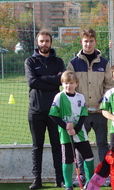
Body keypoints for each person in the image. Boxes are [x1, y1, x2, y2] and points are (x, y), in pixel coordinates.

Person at [67, 28, 114, 186]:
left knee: (102, 144)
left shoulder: (104, 63)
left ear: (95, 42)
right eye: (85, 41)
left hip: (100, 111)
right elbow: (69, 86)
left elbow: (109, 85)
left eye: (91, 41)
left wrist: (103, 102)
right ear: (81, 42)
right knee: (80, 145)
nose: (88, 44)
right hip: (81, 114)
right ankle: (80, 175)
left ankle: (103, 175)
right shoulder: (73, 63)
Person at [25, 30, 65, 189]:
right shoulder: (30, 61)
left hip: (55, 112)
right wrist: (53, 81)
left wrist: (43, 78)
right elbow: (32, 82)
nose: (44, 44)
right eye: (42, 41)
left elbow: (61, 81)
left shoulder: (58, 61)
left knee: (57, 146)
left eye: (47, 41)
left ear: (51, 42)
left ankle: (59, 179)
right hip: (36, 111)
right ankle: (37, 179)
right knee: (37, 146)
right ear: (37, 43)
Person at [49, 71, 94, 190]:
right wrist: (66, 126)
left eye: (71, 83)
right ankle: (68, 184)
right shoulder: (59, 96)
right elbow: (53, 114)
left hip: (80, 132)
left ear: (76, 84)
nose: (69, 86)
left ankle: (89, 182)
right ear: (62, 84)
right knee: (67, 159)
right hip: (66, 133)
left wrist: (77, 128)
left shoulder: (80, 97)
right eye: (66, 83)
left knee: (89, 156)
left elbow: (83, 114)